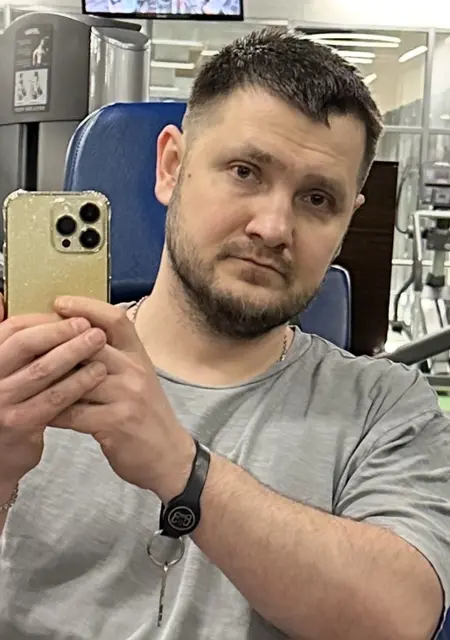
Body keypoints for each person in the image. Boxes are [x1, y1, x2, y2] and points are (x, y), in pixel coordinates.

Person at [0, 27, 449, 640]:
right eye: (245, 171)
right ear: (172, 167)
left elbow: (403, 619)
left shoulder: (387, 407)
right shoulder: (26, 370)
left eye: (318, 199)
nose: (273, 227)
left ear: (348, 221)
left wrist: (181, 468)